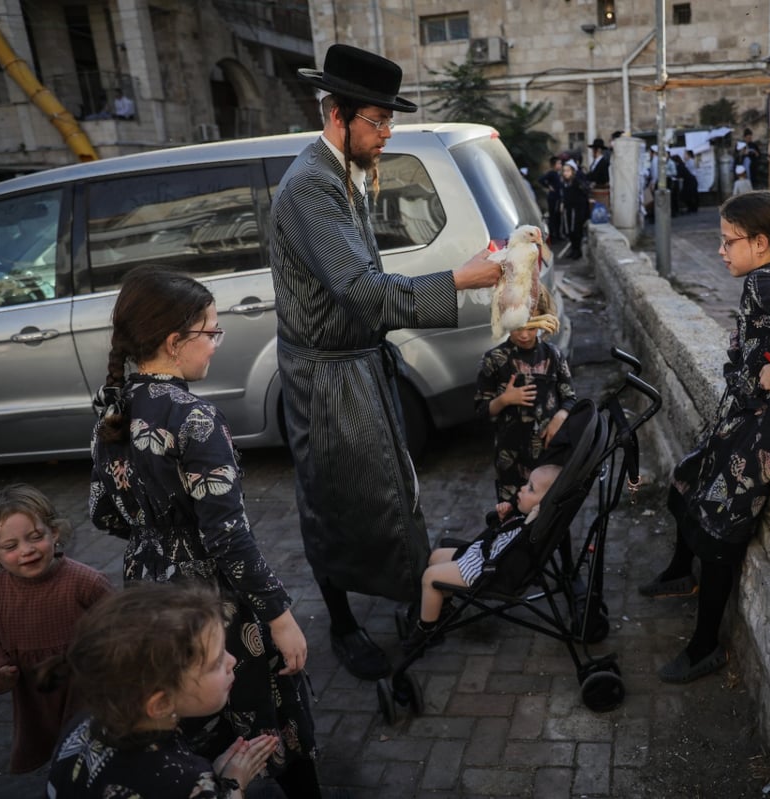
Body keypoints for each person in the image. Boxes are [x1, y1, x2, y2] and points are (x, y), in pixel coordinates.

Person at [269, 43, 501, 682]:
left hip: (358, 363)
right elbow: (367, 293)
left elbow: (365, 280)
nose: (387, 133)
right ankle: (343, 626)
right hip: (324, 377)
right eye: (378, 120)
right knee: (330, 502)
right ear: (337, 114)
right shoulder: (310, 185)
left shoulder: (343, 172)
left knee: (387, 491)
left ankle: (415, 594)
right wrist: (457, 278)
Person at [89, 266, 321, 796]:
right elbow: (229, 541)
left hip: (148, 592)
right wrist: (281, 617)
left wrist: (155, 534)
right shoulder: (194, 419)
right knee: (258, 709)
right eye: (211, 331)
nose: (216, 343)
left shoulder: (113, 412)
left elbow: (103, 513)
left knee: (186, 708)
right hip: (213, 600)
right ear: (175, 342)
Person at [638, 190, 770, 683]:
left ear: (761, 243)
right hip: (748, 417)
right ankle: (681, 573)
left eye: (729, 241)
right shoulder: (766, 278)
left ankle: (706, 646)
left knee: (722, 529)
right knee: (687, 477)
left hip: (769, 427)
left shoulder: (765, 280)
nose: (722, 251)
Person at [45, 582, 279, 798]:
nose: (231, 661)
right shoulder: (182, 782)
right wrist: (231, 782)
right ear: (160, 704)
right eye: (215, 663)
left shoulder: (85, 722)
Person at [0, 484, 112, 774]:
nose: (26, 550)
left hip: (86, 687)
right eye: (11, 546)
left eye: (35, 537)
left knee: (94, 753)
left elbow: (120, 629)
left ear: (54, 533)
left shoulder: (87, 582)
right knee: (55, 756)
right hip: (34, 694)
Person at [403, 464, 563, 650]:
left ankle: (426, 631)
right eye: (527, 484)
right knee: (437, 556)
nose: (522, 488)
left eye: (531, 488)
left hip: (487, 571)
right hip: (484, 556)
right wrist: (505, 518)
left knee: (430, 577)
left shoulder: (531, 531)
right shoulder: (530, 520)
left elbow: (511, 552)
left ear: (542, 504)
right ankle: (444, 609)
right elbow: (505, 536)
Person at [475, 288, 577, 504]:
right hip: (510, 459)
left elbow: (570, 397)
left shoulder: (553, 355)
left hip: (548, 459)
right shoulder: (493, 360)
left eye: (531, 327)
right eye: (517, 326)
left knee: (551, 512)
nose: (524, 335)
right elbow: (481, 411)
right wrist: (504, 400)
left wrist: (561, 416)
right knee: (512, 514)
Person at [559, 159, 590, 260]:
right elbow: (565, 195)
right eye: (564, 171)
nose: (565, 173)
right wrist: (563, 203)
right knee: (569, 231)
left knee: (576, 230)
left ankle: (578, 251)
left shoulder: (576, 181)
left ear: (572, 171)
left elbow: (584, 192)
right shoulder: (565, 183)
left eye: (568, 171)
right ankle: (573, 249)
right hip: (568, 210)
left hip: (576, 211)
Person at [539, 156, 564, 244]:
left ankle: (558, 235)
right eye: (559, 163)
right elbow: (541, 180)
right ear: (554, 165)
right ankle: (552, 236)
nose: (560, 165)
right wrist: (548, 186)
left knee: (558, 217)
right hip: (553, 198)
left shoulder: (558, 174)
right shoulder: (551, 173)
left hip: (558, 198)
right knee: (553, 217)